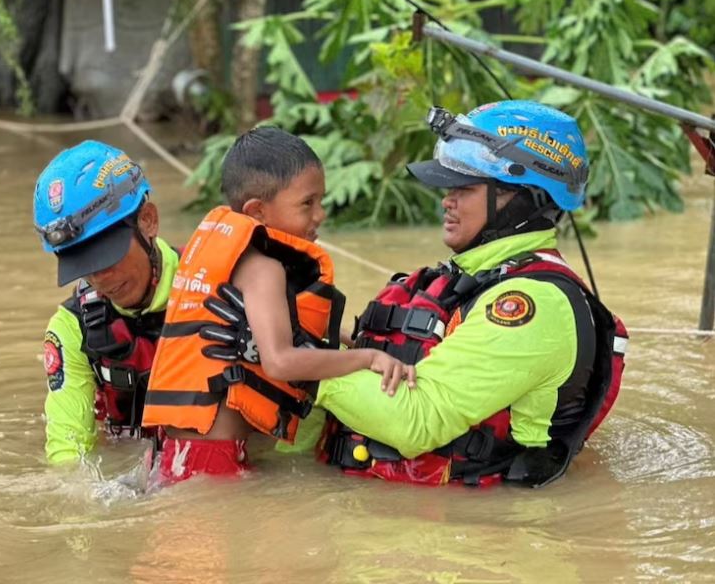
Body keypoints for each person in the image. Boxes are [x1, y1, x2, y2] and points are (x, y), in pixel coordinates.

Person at [315, 100, 628, 487]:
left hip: (475, 535)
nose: (447, 200)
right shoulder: (474, 278)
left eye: (464, 188)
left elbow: (416, 421)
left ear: (519, 196)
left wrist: (295, 363)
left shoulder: (534, 306)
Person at [141, 127, 410, 482]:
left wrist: (342, 337)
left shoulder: (228, 258)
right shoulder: (264, 269)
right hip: (212, 460)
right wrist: (370, 358)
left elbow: (252, 330)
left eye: (321, 201)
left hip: (172, 453)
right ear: (258, 212)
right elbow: (281, 362)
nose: (321, 215)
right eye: (307, 203)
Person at [33, 141, 180, 464]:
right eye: (83, 265)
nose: (99, 278)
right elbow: (68, 449)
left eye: (106, 256)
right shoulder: (73, 327)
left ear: (148, 221)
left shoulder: (214, 289)